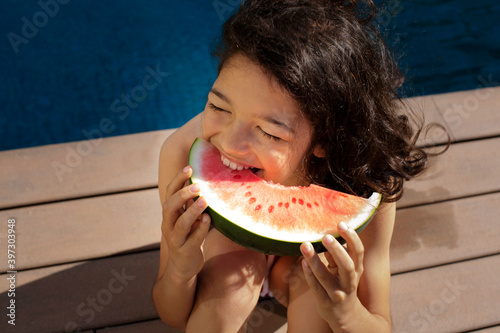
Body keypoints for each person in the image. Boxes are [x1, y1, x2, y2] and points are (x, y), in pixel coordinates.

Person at [153, 0, 440, 332]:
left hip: (300, 268)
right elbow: (171, 314)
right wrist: (180, 267)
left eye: (268, 132)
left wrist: (344, 310)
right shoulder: (181, 154)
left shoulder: (364, 186)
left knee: (314, 281)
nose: (230, 143)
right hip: (221, 256)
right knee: (228, 281)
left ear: (324, 141)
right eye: (218, 106)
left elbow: (379, 325)